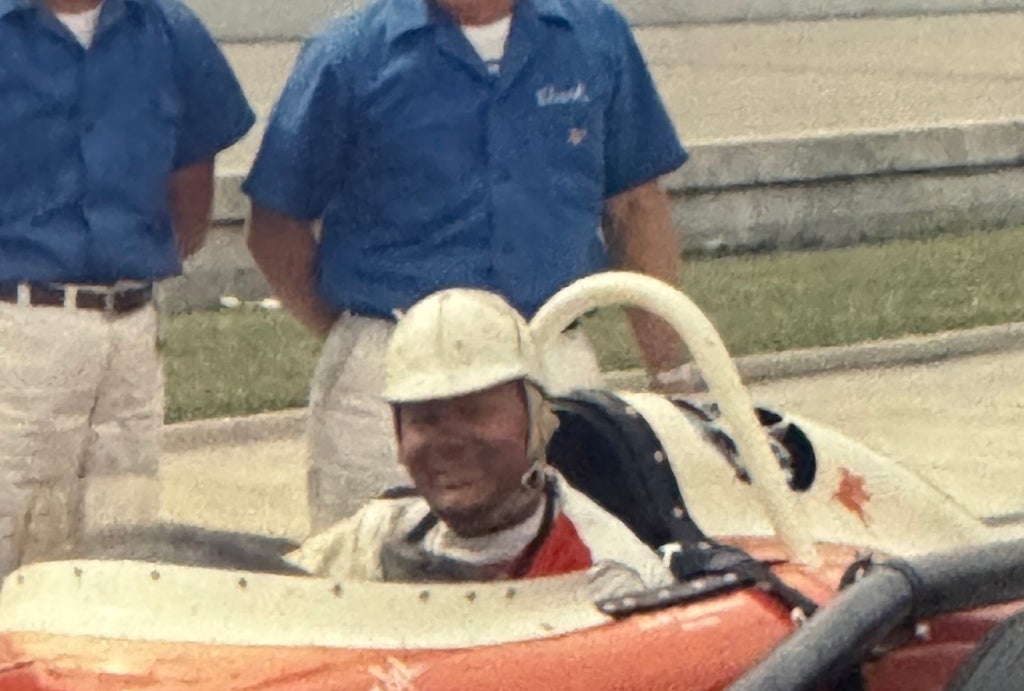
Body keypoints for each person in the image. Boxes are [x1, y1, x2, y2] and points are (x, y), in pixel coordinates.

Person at [244, 0, 693, 532]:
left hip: (553, 362)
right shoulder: (349, 53)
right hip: (391, 377)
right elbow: (274, 226)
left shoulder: (596, 36)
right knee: (380, 579)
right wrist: (362, 337)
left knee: (573, 580)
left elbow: (637, 207)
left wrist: (674, 374)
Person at [0, 0, 255, 573]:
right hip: (16, 325)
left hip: (130, 328)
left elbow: (193, 177)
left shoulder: (169, 31)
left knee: (124, 535)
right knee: (10, 532)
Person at [289, 288, 672, 591]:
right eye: (426, 420)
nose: (449, 442)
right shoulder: (377, 538)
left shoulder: (606, 576)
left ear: (536, 420)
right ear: (398, 434)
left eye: (475, 413)